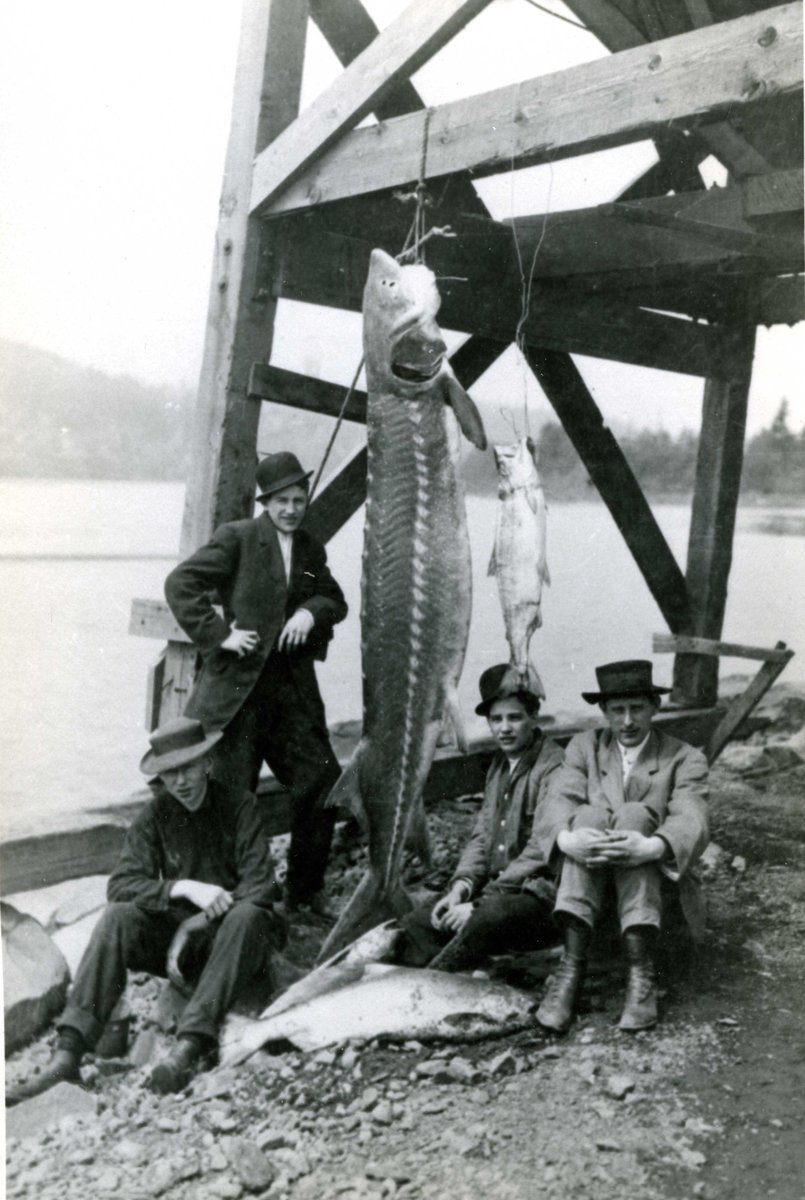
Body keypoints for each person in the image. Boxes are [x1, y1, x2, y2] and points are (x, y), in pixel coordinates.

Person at [6, 718, 285, 1104]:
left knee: (248, 915)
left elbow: (261, 888)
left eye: (188, 767)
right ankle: (68, 1053)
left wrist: (196, 921)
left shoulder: (239, 806)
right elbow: (120, 885)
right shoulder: (155, 816)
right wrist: (181, 888)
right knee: (117, 916)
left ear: (207, 762)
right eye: (170, 773)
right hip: (185, 952)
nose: (181, 782)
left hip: (236, 943)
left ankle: (189, 1046)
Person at [164, 451, 348, 915]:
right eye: (282, 500)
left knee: (322, 779)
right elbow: (181, 584)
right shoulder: (240, 540)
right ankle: (227, 902)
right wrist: (220, 634)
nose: (291, 509)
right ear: (265, 502)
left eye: (298, 499)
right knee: (228, 797)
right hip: (236, 699)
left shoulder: (308, 551)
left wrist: (309, 612)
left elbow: (330, 596)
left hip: (289, 697)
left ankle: (304, 893)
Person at [535, 660, 709, 1034]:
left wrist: (651, 847)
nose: (628, 721)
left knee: (633, 814)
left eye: (637, 709)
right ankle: (571, 968)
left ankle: (641, 972)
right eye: (617, 710)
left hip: (658, 895)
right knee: (587, 818)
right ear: (604, 712)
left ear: (655, 707)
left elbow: (692, 816)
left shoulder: (684, 756)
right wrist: (569, 841)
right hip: (595, 886)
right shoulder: (585, 747)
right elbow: (556, 801)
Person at [397, 664, 564, 973]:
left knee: (486, 919)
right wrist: (460, 887)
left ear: (534, 717)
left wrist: (477, 904)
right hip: (494, 894)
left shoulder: (555, 767)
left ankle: (439, 977)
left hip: (539, 898)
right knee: (419, 920)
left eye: (515, 717)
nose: (505, 728)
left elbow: (541, 848)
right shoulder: (499, 766)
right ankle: (468, 965)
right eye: (496, 719)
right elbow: (482, 835)